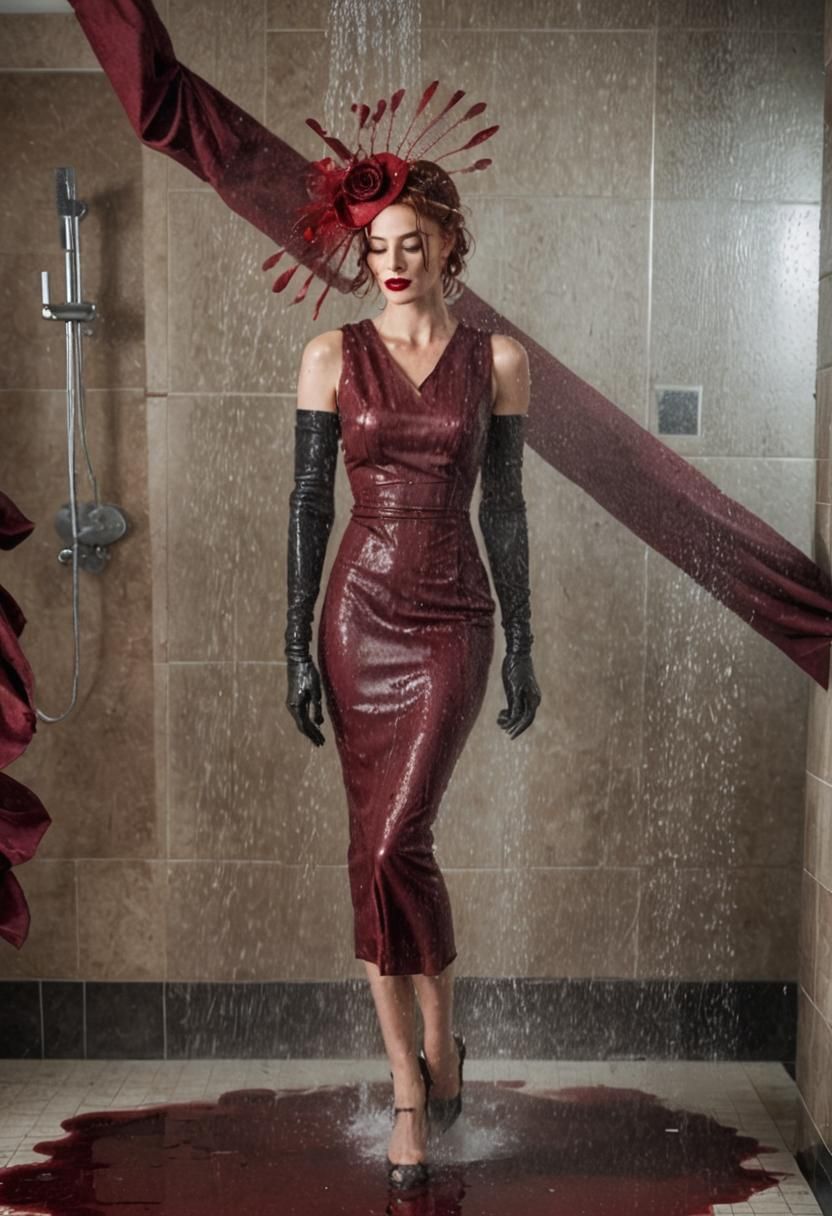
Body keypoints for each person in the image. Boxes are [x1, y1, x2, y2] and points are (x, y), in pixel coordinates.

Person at [284, 150, 541, 1187]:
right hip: (358, 612)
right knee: (375, 849)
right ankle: (413, 1078)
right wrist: (292, 642)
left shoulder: (500, 360)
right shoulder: (329, 354)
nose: (391, 262)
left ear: (447, 244)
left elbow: (507, 508)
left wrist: (523, 638)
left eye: (411, 244)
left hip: (451, 618)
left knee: (402, 836)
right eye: (376, 247)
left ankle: (440, 1047)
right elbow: (308, 506)